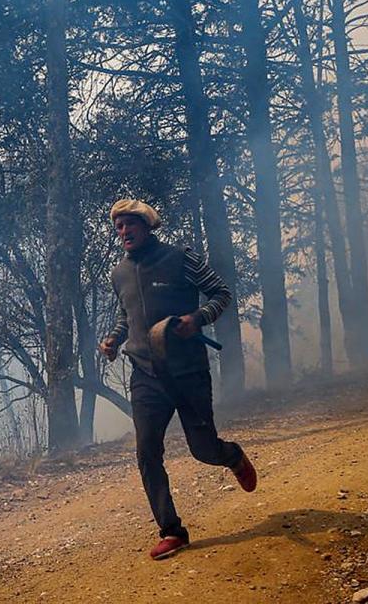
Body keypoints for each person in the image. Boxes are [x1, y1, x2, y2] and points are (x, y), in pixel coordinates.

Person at [99, 198, 257, 561]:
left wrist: (197, 319)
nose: (123, 232)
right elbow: (128, 318)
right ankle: (172, 531)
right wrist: (113, 340)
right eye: (118, 227)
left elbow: (222, 294)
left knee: (203, 450)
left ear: (145, 225)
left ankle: (231, 456)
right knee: (147, 452)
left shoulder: (180, 257)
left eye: (129, 225)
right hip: (146, 375)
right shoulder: (118, 273)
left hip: (188, 372)